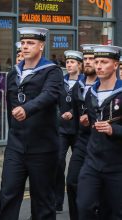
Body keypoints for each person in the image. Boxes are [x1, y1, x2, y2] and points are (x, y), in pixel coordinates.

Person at [0, 27, 63, 220]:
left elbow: (49, 95)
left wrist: (27, 109)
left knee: (42, 200)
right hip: (16, 146)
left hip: (42, 147)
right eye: (23, 43)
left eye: (30, 43)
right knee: (8, 194)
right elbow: (10, 106)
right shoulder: (13, 73)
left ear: (41, 46)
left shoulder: (52, 71)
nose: (25, 47)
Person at [77, 45, 122, 220]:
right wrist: (85, 122)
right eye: (97, 62)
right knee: (84, 206)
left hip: (117, 164)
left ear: (116, 65)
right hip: (93, 162)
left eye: (104, 62)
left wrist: (114, 130)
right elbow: (89, 127)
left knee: (115, 212)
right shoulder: (91, 93)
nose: (99, 66)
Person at [66, 44, 98, 220]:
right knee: (72, 181)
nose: (88, 62)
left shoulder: (108, 86)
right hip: (83, 140)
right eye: (85, 59)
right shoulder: (78, 85)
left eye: (91, 59)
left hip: (103, 143)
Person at [55, 50, 83, 213]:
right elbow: (56, 102)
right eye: (68, 62)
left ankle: (80, 199)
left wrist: (73, 112)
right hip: (62, 129)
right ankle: (57, 201)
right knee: (58, 162)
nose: (69, 65)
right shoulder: (61, 82)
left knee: (78, 167)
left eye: (73, 62)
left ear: (79, 65)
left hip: (79, 130)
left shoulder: (84, 82)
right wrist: (60, 114)